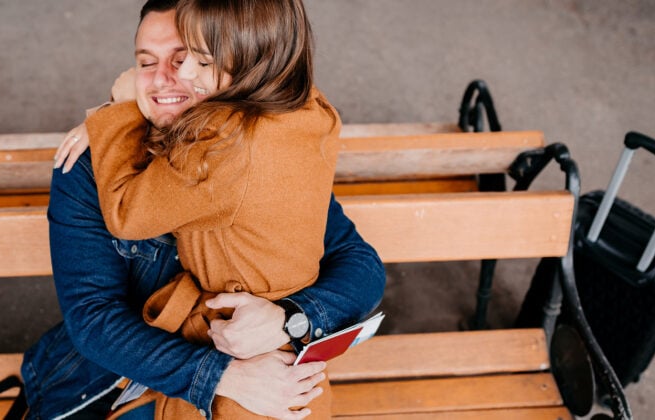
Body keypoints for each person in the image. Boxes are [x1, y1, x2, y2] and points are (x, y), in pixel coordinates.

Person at [22, 1, 384, 419]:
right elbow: (93, 320)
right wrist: (222, 376)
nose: (167, 78)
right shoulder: (89, 166)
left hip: (259, 376)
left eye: (190, 59)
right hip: (111, 385)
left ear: (242, 69)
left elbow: (361, 265)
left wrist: (287, 320)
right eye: (145, 63)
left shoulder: (253, 148)